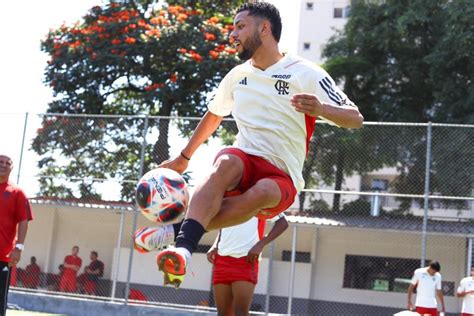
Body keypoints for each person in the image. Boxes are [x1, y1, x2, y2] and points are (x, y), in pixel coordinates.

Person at [151, 2, 363, 287]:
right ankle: (183, 250)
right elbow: (215, 114)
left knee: (262, 191)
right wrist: (184, 157)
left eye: (240, 26)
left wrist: (321, 108)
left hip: (281, 176)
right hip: (245, 159)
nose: (233, 34)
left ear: (264, 28)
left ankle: (174, 229)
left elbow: (355, 118)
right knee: (224, 163)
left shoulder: (306, 72)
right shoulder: (237, 76)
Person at [207, 214, 288, 315]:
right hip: (222, 260)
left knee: (240, 313)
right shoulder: (226, 198)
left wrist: (260, 245)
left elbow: (282, 223)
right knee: (223, 313)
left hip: (246, 260)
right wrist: (215, 245)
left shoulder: (261, 199)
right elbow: (224, 225)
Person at [0, 154, 33, 316]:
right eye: (0, 161)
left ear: (11, 168)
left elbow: (24, 221)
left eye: (7, 163)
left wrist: (18, 248)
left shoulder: (17, 193)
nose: (4, 165)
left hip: (3, 257)